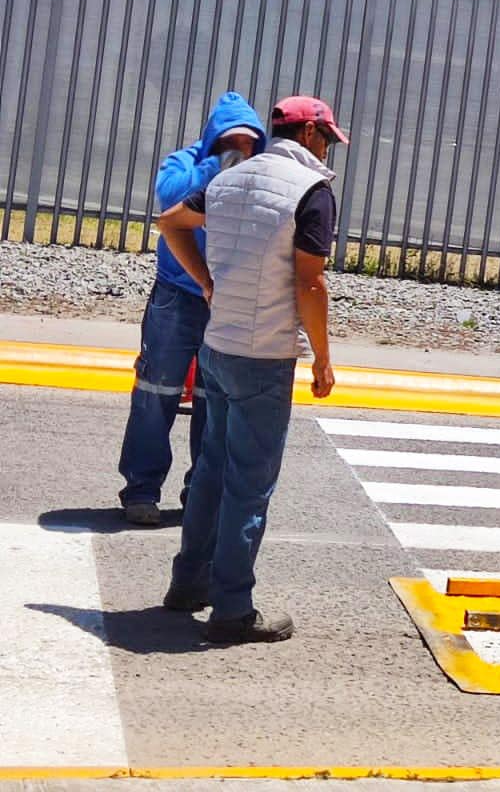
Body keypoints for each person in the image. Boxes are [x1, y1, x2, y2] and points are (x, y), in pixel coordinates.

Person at [156, 95, 347, 644]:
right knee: (248, 484)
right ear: (310, 135)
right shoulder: (311, 192)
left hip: (216, 346)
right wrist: (324, 360)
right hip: (264, 355)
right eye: (328, 137)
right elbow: (310, 283)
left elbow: (171, 223)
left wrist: (208, 284)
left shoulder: (230, 180)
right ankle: (233, 610)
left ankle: (188, 583)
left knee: (213, 469)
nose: (330, 146)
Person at [117, 92, 266, 526]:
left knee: (213, 400)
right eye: (230, 141)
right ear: (213, 138)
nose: (240, 150)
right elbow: (172, 202)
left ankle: (198, 494)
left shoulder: (259, 172)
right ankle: (141, 489)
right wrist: (214, 165)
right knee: (156, 391)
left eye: (248, 143)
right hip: (178, 295)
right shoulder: (184, 163)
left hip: (227, 300)